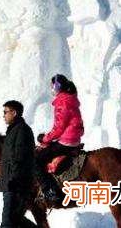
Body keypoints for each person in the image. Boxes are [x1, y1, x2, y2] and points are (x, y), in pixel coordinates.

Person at [35, 74, 85, 204]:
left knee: (37, 160)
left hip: (66, 141)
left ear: (58, 87)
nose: (51, 89)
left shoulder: (62, 102)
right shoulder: (70, 99)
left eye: (52, 86)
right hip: (74, 139)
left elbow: (58, 128)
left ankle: (50, 191)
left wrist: (45, 139)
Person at [0, 100, 36, 228]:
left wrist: (13, 180)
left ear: (14, 113)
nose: (3, 115)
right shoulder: (14, 130)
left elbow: (19, 158)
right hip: (11, 184)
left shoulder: (22, 130)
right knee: (16, 220)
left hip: (16, 185)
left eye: (5, 112)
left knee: (7, 223)